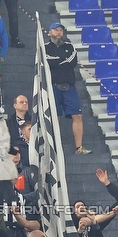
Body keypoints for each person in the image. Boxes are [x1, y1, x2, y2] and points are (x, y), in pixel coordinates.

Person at [44, 21, 91, 153]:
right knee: (55, 117)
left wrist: (57, 61)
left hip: (69, 86)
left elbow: (72, 61)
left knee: (78, 115)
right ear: (50, 32)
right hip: (53, 86)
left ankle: (79, 147)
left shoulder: (70, 46)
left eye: (61, 30)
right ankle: (53, 147)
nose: (59, 32)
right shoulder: (45, 47)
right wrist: (61, 61)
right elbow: (48, 61)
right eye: (56, 29)